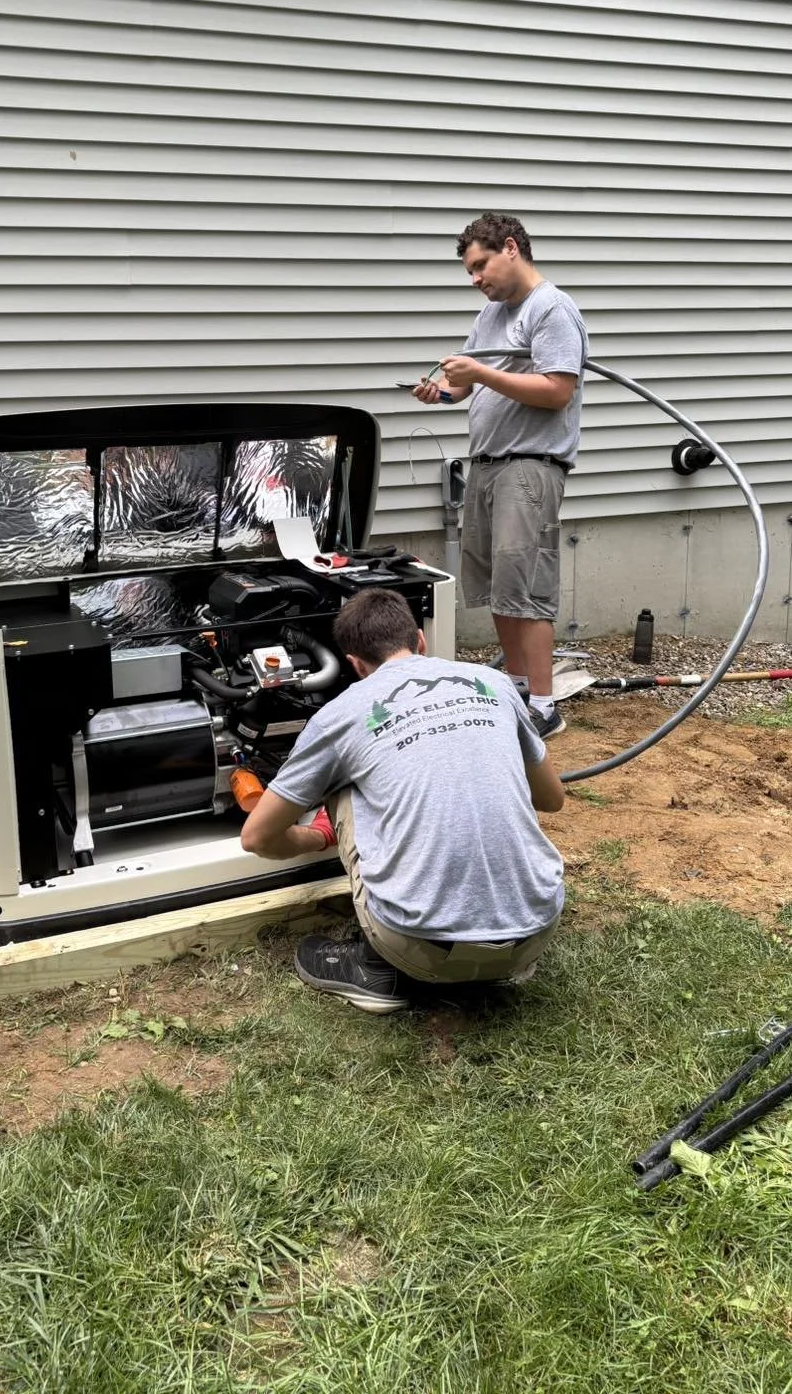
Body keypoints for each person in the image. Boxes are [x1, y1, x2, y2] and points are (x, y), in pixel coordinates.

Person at [240, 588, 565, 1014]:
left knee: (345, 780)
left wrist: (314, 837)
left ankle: (376, 970)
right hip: (535, 933)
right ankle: (498, 947)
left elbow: (257, 837)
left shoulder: (339, 716)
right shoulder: (496, 684)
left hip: (418, 949)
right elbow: (552, 798)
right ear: (420, 640)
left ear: (355, 665)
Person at [412, 212, 588, 740]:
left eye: (480, 265)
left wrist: (482, 372)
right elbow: (467, 387)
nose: (475, 279)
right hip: (488, 465)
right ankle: (514, 693)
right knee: (498, 589)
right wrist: (442, 393)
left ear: (511, 248)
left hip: (530, 467)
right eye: (469, 271)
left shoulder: (551, 309)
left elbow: (558, 390)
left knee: (527, 589)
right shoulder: (491, 315)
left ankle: (543, 707)